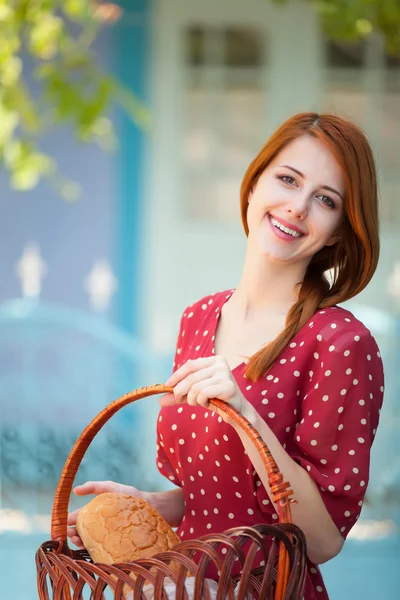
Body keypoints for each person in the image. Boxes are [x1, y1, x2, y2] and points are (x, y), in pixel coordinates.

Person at [68, 112, 384, 599]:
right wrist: (150, 505)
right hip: (181, 584)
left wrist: (249, 416)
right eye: (287, 179)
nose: (297, 207)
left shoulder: (341, 343)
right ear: (254, 184)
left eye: (325, 200)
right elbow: (219, 499)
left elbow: (322, 541)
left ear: (340, 230)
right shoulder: (199, 317)